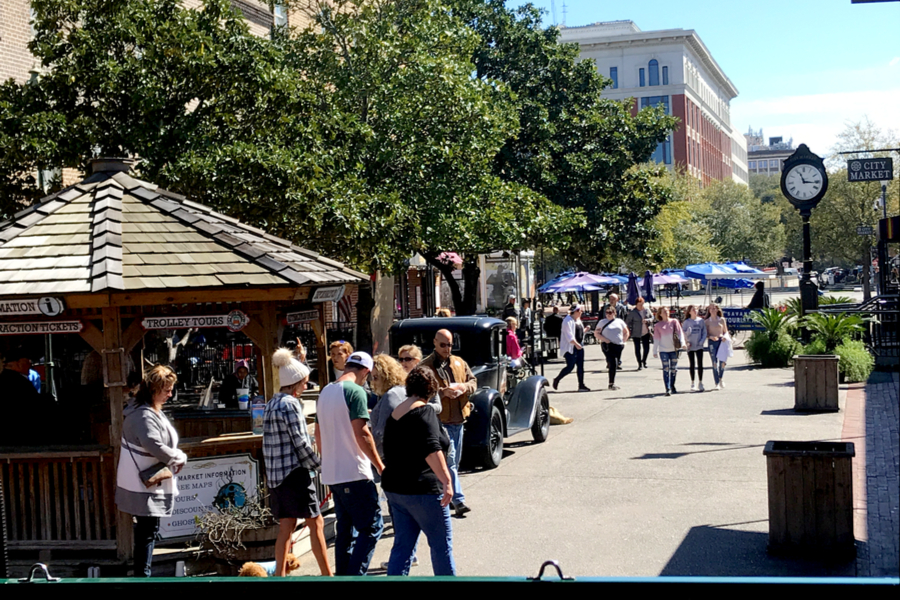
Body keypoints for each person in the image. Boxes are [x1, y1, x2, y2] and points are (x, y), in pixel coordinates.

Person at [315, 351, 384, 575]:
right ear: (365, 371)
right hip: (354, 472)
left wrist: (329, 462)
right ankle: (355, 580)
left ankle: (343, 580)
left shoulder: (325, 391)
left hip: (334, 474)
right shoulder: (356, 391)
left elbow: (317, 434)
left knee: (346, 531)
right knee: (372, 527)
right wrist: (380, 466)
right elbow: (362, 432)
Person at [264, 349, 332, 577]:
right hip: (294, 474)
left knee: (286, 526)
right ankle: (327, 574)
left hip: (276, 476)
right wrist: (321, 466)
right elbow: (301, 444)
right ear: (294, 383)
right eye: (303, 383)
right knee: (316, 522)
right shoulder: (291, 405)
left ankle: (280, 576)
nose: (306, 386)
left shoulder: (271, 404)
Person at [382, 367, 455, 576]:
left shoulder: (395, 414)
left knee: (402, 547)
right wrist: (447, 481)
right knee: (441, 546)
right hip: (423, 489)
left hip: (396, 490)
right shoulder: (425, 412)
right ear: (431, 388)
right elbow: (431, 449)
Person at [115, 365, 187, 577]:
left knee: (148, 532)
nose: (170, 394)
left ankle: (142, 577)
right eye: (167, 390)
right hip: (144, 485)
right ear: (155, 389)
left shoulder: (144, 410)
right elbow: (154, 444)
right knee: (147, 533)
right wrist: (179, 457)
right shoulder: (144, 415)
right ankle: (142, 580)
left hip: (144, 483)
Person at [418, 329, 477, 517]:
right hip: (438, 421)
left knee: (454, 462)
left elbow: (474, 381)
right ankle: (458, 500)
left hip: (458, 418)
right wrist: (443, 392)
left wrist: (463, 388)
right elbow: (419, 392)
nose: (447, 348)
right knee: (449, 461)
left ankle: (446, 495)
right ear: (435, 343)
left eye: (450, 344)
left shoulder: (459, 363)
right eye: (443, 344)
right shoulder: (426, 366)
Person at [552, 304, 589, 392]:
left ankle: (581, 385)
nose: (581, 312)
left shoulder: (578, 320)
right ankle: (557, 379)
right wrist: (576, 344)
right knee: (570, 366)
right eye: (580, 310)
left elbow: (578, 333)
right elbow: (569, 336)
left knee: (580, 366)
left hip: (579, 346)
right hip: (570, 347)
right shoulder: (567, 320)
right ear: (576, 311)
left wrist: (585, 330)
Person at [652, 306, 686, 397]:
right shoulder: (658, 325)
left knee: (674, 369)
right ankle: (667, 388)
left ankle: (672, 385)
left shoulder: (674, 322)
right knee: (666, 369)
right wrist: (655, 350)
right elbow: (656, 339)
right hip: (663, 350)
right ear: (660, 314)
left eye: (667, 311)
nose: (666, 313)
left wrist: (683, 343)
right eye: (664, 311)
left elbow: (680, 333)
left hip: (674, 349)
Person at [596, 306, 629, 391]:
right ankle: (611, 383)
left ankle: (612, 382)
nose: (608, 315)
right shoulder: (602, 322)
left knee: (616, 363)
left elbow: (626, 332)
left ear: (614, 313)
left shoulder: (619, 321)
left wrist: (624, 341)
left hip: (618, 345)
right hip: (608, 345)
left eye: (610, 313)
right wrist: (605, 340)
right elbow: (596, 334)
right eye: (607, 313)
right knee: (613, 363)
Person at [682, 305, 707, 392]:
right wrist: (687, 337)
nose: (695, 311)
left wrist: (702, 341)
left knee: (700, 364)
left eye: (696, 309)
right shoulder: (687, 322)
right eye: (693, 310)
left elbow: (704, 332)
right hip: (691, 346)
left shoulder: (701, 321)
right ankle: (692, 382)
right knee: (692, 364)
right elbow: (683, 334)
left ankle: (700, 382)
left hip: (699, 345)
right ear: (689, 312)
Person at [705, 303, 729, 390]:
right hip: (712, 342)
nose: (713, 310)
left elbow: (725, 331)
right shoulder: (707, 321)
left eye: (714, 308)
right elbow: (705, 334)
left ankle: (721, 378)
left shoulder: (722, 320)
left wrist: (724, 337)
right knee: (714, 363)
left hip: (721, 342)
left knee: (722, 363)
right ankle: (717, 382)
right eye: (711, 308)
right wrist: (711, 337)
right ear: (709, 310)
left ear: (718, 310)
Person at [625, 298, 653, 370]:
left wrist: (647, 320)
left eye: (642, 304)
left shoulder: (647, 310)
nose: (641, 306)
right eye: (639, 305)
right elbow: (628, 321)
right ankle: (639, 363)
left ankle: (644, 360)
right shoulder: (633, 312)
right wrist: (630, 329)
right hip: (636, 332)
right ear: (636, 304)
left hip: (646, 331)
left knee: (646, 347)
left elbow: (652, 317)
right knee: (637, 348)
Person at [602, 294, 628, 369]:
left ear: (617, 299)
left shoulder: (621, 308)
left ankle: (617, 362)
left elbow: (625, 318)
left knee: (618, 347)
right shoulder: (605, 308)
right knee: (606, 348)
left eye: (613, 298)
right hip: (607, 330)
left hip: (618, 330)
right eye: (610, 298)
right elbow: (601, 318)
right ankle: (610, 361)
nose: (611, 300)